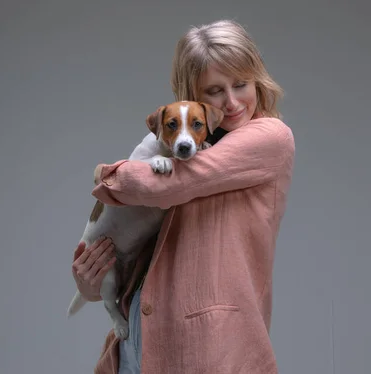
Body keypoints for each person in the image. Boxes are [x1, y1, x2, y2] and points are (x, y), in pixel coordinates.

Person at [71, 19, 295, 374]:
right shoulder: (190, 143)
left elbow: (161, 186)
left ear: (258, 80)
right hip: (140, 337)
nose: (233, 101)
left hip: (210, 347)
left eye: (241, 84)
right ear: (192, 94)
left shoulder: (269, 136)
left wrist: (105, 173)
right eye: (215, 90)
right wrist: (91, 284)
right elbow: (145, 246)